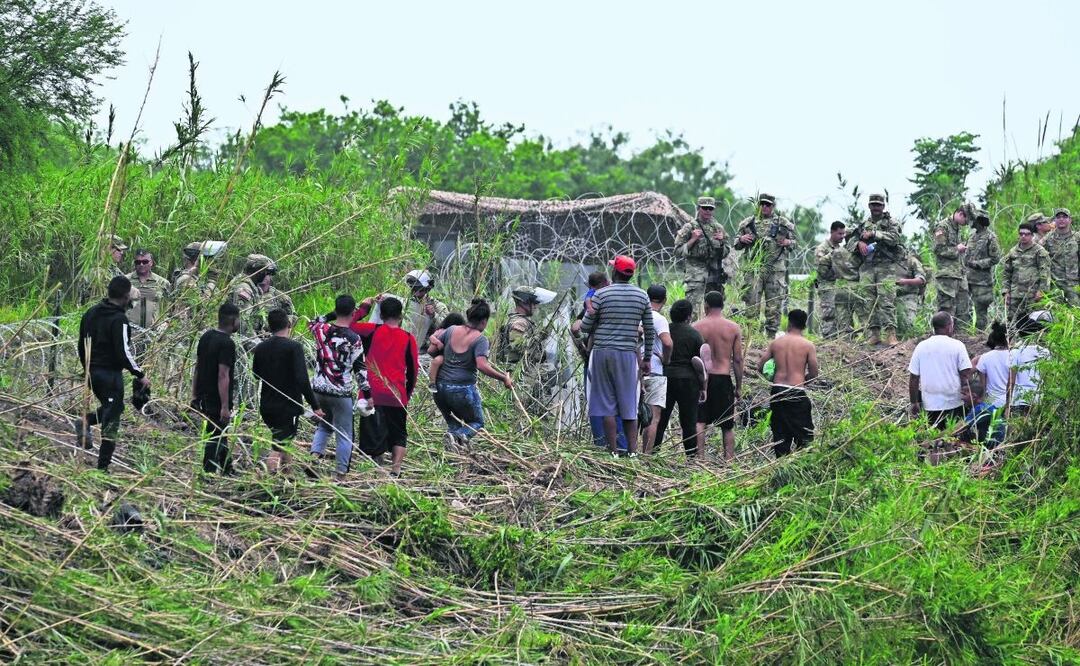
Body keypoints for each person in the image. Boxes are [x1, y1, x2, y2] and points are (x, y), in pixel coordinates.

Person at [579, 255, 654, 456]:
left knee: (607, 405)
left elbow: (585, 327)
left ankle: (612, 452)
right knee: (628, 404)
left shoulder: (601, 295)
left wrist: (590, 312)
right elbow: (649, 328)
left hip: (602, 353)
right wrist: (646, 359)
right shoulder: (642, 296)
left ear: (614, 272)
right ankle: (632, 452)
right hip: (628, 355)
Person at [76, 276, 150, 471]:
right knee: (112, 420)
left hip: (91, 372)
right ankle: (102, 466)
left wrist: (87, 369)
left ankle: (86, 421)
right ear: (126, 297)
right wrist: (140, 374)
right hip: (109, 375)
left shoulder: (90, 313)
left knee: (113, 408)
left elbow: (81, 345)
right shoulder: (120, 320)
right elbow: (123, 352)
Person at [346, 297, 420, 476]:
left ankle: (377, 469)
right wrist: (406, 394)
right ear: (401, 316)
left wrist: (365, 307)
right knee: (399, 433)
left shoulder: (371, 331)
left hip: (372, 393)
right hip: (397, 394)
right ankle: (395, 470)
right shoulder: (409, 339)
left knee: (373, 432)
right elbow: (413, 371)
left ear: (381, 314)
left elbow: (347, 325)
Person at [429, 299, 513, 448]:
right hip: (461, 389)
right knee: (477, 423)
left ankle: (454, 451)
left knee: (453, 424)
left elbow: (431, 351)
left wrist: (443, 352)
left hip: (440, 387)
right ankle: (458, 437)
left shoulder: (451, 330)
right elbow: (482, 365)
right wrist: (503, 378)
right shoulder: (480, 340)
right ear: (484, 321)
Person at [252, 308, 323, 473]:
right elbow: (302, 379)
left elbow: (256, 374)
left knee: (285, 441)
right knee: (279, 444)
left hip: (267, 406)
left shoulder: (261, 347)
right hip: (287, 406)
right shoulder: (294, 347)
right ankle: (269, 477)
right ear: (288, 324)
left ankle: (288, 476)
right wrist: (315, 406)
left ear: (270, 327)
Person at [308, 295, 367, 481]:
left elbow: (314, 321)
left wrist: (333, 314)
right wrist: (368, 394)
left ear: (336, 309)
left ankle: (314, 459)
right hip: (340, 392)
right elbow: (360, 370)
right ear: (353, 312)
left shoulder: (321, 330)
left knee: (324, 426)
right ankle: (340, 475)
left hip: (318, 389)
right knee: (344, 433)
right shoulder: (354, 339)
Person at [734, 193, 797, 337]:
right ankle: (752, 334)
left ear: (773, 206)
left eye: (768, 204)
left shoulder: (783, 224)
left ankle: (770, 335)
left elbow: (795, 244)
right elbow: (736, 243)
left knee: (774, 304)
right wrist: (742, 239)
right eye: (762, 204)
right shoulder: (748, 223)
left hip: (775, 270)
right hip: (754, 269)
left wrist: (788, 242)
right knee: (751, 301)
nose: (764, 207)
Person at [758, 309, 818, 456]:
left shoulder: (776, 343)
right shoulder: (808, 345)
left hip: (777, 390)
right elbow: (814, 373)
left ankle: (781, 466)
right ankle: (800, 466)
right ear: (804, 325)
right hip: (796, 391)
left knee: (780, 433)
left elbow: (760, 366)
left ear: (789, 323)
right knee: (804, 436)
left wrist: (772, 377)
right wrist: (804, 380)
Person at [693, 290, 744, 460]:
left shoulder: (697, 326)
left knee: (700, 421)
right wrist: (739, 386)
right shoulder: (733, 328)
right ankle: (729, 461)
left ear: (706, 305)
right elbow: (737, 360)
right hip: (723, 378)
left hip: (703, 379)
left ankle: (699, 460)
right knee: (727, 425)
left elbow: (693, 358)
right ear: (722, 306)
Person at [652, 299, 705, 456]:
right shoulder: (695, 335)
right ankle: (691, 457)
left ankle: (653, 453)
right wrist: (703, 386)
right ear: (689, 317)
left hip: (666, 378)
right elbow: (698, 363)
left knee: (660, 419)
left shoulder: (665, 331)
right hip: (688, 382)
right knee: (689, 421)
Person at [849, 193, 903, 345]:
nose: (876, 208)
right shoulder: (862, 225)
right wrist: (858, 244)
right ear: (869, 206)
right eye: (873, 205)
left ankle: (891, 334)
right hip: (867, 267)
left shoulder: (891, 222)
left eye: (878, 205)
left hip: (886, 267)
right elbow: (850, 241)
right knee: (868, 301)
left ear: (883, 206)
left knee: (887, 300)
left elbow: (895, 239)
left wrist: (875, 234)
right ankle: (874, 333)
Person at [193, 303, 240, 475]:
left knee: (221, 431)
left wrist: (194, 394)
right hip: (217, 397)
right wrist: (225, 406)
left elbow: (197, 367)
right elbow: (223, 375)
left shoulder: (206, 336)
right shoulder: (227, 343)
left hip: (203, 393)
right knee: (215, 433)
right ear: (233, 321)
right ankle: (209, 470)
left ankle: (227, 467)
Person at [907, 311, 973, 429]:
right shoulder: (958, 345)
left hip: (930, 405)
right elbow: (965, 375)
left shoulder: (921, 346)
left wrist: (914, 402)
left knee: (934, 439)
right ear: (949, 326)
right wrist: (969, 399)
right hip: (955, 402)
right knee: (954, 438)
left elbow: (914, 378)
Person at [499, 285, 558, 414]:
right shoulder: (519, 323)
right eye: (533, 303)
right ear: (524, 302)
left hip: (525, 373)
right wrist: (540, 336)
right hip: (519, 374)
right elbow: (518, 346)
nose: (536, 306)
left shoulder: (524, 321)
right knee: (519, 411)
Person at [674, 196, 729, 313]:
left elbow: (726, 252)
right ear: (699, 209)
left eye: (710, 209)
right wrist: (692, 239)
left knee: (714, 309)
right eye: (705, 208)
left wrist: (721, 242)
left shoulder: (719, 228)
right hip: (696, 273)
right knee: (693, 308)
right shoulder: (689, 227)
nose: (708, 211)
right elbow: (677, 252)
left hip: (714, 273)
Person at [641, 285, 673, 453]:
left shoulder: (638, 314)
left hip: (635, 369)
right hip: (654, 370)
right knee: (653, 417)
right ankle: (645, 455)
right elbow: (667, 342)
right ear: (664, 300)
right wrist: (666, 359)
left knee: (631, 413)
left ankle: (629, 451)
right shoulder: (659, 319)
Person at [1002, 221, 1051, 326]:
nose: (1023, 236)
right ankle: (1012, 342)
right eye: (1021, 234)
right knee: (1012, 323)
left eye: (1027, 234)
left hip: (1032, 295)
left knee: (1033, 321)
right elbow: (1007, 273)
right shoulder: (1013, 252)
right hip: (1015, 294)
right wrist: (1006, 292)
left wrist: (1042, 291)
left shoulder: (1039, 251)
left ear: (1032, 235)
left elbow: (1045, 273)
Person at [931, 204, 971, 325]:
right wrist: (956, 249)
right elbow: (939, 250)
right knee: (946, 309)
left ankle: (963, 338)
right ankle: (943, 337)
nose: (967, 223)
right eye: (966, 219)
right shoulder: (943, 227)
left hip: (959, 274)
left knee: (963, 310)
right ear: (960, 214)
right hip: (947, 276)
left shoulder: (957, 228)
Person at [964, 209, 1002, 331]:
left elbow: (995, 258)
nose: (972, 222)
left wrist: (977, 264)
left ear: (979, 221)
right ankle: (966, 334)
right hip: (967, 279)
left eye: (974, 219)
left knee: (981, 310)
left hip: (982, 281)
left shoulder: (990, 237)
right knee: (965, 308)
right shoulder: (971, 237)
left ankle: (980, 335)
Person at [1008, 310, 1052, 414]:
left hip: (1019, 399)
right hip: (1038, 397)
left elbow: (1011, 381)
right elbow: (1048, 378)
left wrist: (1007, 404)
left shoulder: (1015, 352)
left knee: (1016, 428)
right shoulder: (1045, 352)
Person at [830, 221, 864, 339]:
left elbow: (827, 271)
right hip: (857, 288)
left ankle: (846, 344)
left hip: (840, 288)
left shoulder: (835, 252)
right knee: (865, 317)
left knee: (844, 322)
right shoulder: (860, 254)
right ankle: (870, 339)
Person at [229, 254, 276, 337]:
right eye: (265, 272)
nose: (266, 275)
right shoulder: (244, 289)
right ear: (258, 271)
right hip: (241, 339)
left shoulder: (254, 288)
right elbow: (242, 324)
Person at [814, 221, 846, 338]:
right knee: (829, 314)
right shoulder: (822, 248)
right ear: (832, 232)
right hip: (826, 285)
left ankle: (838, 338)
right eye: (839, 234)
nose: (842, 236)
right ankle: (828, 339)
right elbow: (821, 271)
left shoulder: (840, 249)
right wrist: (833, 255)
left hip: (838, 285)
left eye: (843, 234)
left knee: (839, 312)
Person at [1041, 208, 1079, 306]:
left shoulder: (1077, 238)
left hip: (1074, 285)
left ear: (1070, 220)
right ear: (1055, 220)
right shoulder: (1047, 239)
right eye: (1058, 217)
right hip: (1056, 286)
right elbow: (1041, 263)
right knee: (1057, 316)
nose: (1061, 219)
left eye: (1064, 217)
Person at [126, 249, 172, 329]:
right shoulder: (125, 281)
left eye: (145, 262)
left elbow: (169, 307)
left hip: (153, 332)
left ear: (151, 263)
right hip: (129, 330)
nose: (141, 264)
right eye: (138, 262)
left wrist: (166, 322)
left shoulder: (162, 283)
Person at [403, 269, 449, 344]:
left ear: (426, 290)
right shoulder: (406, 303)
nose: (416, 293)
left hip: (427, 348)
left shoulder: (438, 306)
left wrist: (434, 315)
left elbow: (448, 329)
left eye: (419, 289)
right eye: (413, 289)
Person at [973, 321, 1011, 409]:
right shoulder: (1014, 356)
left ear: (993, 339)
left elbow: (983, 386)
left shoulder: (985, 358)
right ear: (1009, 339)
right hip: (1010, 402)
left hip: (991, 402)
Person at [426, 312, 466, 390]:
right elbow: (432, 337)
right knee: (436, 361)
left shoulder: (460, 334)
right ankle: (432, 382)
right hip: (442, 354)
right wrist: (438, 342)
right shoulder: (441, 330)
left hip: (452, 355)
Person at [894, 248, 930, 336]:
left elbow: (921, 280)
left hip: (909, 296)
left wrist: (905, 281)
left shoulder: (912, 261)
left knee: (907, 327)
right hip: (892, 298)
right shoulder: (886, 261)